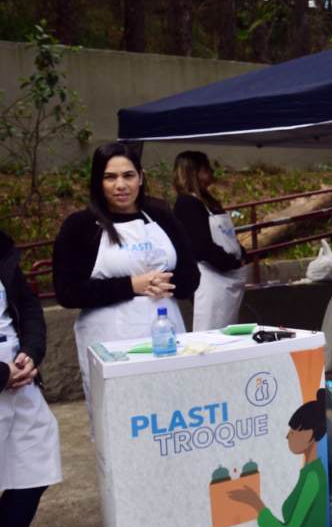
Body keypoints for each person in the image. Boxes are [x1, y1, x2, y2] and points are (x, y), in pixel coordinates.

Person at [54, 143, 201, 426]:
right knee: (122, 422)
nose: (120, 185)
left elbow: (190, 278)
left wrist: (165, 282)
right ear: (98, 181)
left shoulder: (163, 219)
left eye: (128, 175)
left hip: (167, 335)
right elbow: (67, 291)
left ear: (141, 177)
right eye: (110, 177)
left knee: (173, 414)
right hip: (110, 341)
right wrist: (131, 286)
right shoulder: (80, 226)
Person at [0, 230, 61, 527]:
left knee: (34, 465)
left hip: (19, 378)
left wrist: (30, 352)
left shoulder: (2, 247)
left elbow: (28, 305)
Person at [227, 390, 329, 527]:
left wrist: (256, 504)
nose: (288, 437)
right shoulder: (310, 473)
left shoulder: (313, 478)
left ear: (310, 434)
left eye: (293, 431)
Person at [172, 151, 247, 332]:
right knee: (211, 334)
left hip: (223, 273)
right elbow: (200, 246)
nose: (213, 172)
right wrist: (233, 263)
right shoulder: (187, 203)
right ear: (196, 172)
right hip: (210, 274)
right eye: (207, 168)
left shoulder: (203, 201)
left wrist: (241, 253)